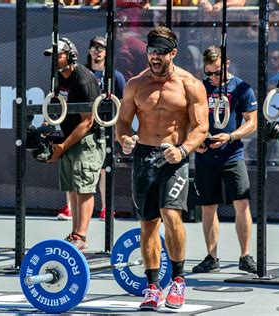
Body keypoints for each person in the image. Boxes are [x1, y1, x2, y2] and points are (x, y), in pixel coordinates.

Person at [116, 26, 209, 310]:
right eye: (151, 51)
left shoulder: (189, 84)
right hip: (144, 157)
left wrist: (182, 149)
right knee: (148, 223)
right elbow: (122, 123)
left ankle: (179, 280)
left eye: (160, 52)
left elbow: (201, 127)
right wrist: (125, 139)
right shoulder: (135, 84)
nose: (154, 57)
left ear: (173, 53)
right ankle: (153, 286)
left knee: (171, 214)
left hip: (174, 157)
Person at [192, 45, 258, 275]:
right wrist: (194, 142)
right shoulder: (200, 88)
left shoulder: (241, 88)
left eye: (217, 72)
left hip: (232, 154)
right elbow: (186, 119)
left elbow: (252, 121)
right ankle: (211, 257)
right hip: (205, 157)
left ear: (227, 64)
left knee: (242, 203)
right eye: (208, 73)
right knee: (208, 207)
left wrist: (231, 136)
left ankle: (245, 255)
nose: (213, 77)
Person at [43, 37, 105, 251]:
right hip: (70, 138)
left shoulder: (84, 78)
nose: (54, 60)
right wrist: (47, 132)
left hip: (86, 140)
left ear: (70, 55)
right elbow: (53, 107)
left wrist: (62, 146)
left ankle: (81, 235)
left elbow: (88, 121)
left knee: (85, 188)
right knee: (72, 187)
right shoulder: (58, 77)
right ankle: (75, 233)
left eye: (58, 55)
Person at [85, 35, 126, 220]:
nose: (97, 51)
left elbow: (123, 106)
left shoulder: (115, 77)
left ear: (107, 52)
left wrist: (119, 131)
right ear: (89, 51)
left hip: (106, 129)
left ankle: (105, 208)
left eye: (100, 48)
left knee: (104, 168)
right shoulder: (82, 72)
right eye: (94, 47)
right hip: (83, 127)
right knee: (79, 167)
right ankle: (69, 208)